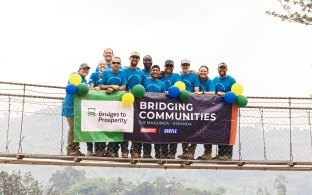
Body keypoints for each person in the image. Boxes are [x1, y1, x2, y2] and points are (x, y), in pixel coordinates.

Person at [98, 56, 127, 158]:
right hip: (105, 105)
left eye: (117, 63)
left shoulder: (122, 73)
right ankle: (101, 150)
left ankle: (111, 150)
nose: (115, 64)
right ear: (111, 64)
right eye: (114, 63)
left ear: (120, 64)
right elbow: (100, 86)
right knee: (103, 126)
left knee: (115, 128)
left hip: (118, 106)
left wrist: (116, 88)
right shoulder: (106, 72)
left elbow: (124, 87)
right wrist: (111, 86)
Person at [62, 63, 91, 156]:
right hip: (70, 107)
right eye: (83, 69)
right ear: (79, 70)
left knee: (77, 129)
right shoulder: (74, 75)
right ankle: (70, 150)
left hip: (79, 108)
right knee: (73, 128)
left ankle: (76, 149)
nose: (85, 70)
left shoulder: (84, 80)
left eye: (87, 69)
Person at [123, 51, 146, 158]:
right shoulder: (124, 71)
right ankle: (124, 150)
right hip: (125, 102)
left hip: (138, 103)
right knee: (124, 126)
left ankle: (135, 150)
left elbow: (144, 87)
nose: (135, 59)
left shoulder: (141, 73)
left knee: (137, 127)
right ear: (130, 58)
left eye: (137, 58)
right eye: (133, 57)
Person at [213, 62, 236, 161]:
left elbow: (235, 93)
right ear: (217, 69)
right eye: (220, 68)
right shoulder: (215, 79)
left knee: (228, 131)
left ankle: (228, 155)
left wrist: (224, 94)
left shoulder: (231, 80)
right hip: (217, 109)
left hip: (229, 108)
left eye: (224, 68)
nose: (222, 70)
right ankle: (220, 154)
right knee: (219, 131)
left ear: (226, 69)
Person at [142, 65, 166, 158]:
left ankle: (158, 153)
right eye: (154, 70)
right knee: (146, 132)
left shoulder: (162, 84)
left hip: (157, 112)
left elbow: (164, 97)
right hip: (146, 111)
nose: (155, 71)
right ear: (151, 71)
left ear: (159, 72)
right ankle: (147, 154)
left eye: (157, 70)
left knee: (157, 132)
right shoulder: (145, 81)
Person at [178, 59, 200, 160]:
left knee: (194, 128)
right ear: (181, 66)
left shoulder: (194, 76)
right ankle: (185, 152)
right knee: (183, 129)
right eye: (183, 65)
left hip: (192, 105)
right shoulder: (178, 76)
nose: (185, 67)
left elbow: (197, 90)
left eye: (187, 65)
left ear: (189, 66)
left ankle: (191, 151)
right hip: (180, 106)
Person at [159, 59, 181, 159]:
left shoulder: (176, 76)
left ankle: (172, 153)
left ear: (173, 67)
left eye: (171, 66)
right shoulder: (161, 78)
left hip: (174, 107)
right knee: (162, 130)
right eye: (167, 66)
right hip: (162, 108)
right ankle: (163, 152)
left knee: (174, 130)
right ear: (164, 67)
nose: (169, 68)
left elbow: (177, 88)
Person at [86, 60, 107, 157]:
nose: (102, 66)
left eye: (104, 64)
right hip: (93, 104)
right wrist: (95, 88)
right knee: (90, 126)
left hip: (105, 106)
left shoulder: (108, 75)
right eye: (100, 64)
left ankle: (101, 150)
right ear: (98, 66)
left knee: (103, 126)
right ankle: (90, 150)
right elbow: (91, 87)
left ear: (107, 66)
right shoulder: (94, 74)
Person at [195, 65, 216, 160]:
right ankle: (190, 151)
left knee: (206, 130)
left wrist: (202, 93)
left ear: (208, 72)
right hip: (195, 108)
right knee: (192, 129)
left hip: (208, 108)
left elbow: (213, 92)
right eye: (201, 71)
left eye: (205, 71)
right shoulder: (196, 78)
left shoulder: (210, 81)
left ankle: (208, 153)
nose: (203, 73)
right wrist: (192, 70)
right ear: (199, 72)